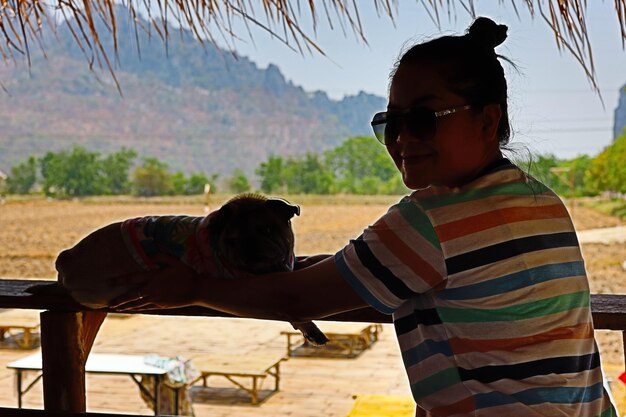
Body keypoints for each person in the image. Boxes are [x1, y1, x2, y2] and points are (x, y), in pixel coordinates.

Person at [112, 16, 618, 417]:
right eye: (390, 123)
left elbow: (293, 296)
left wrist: (195, 291)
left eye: (422, 119)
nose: (401, 139)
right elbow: (364, 269)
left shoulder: (431, 221)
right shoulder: (540, 200)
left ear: (487, 121)